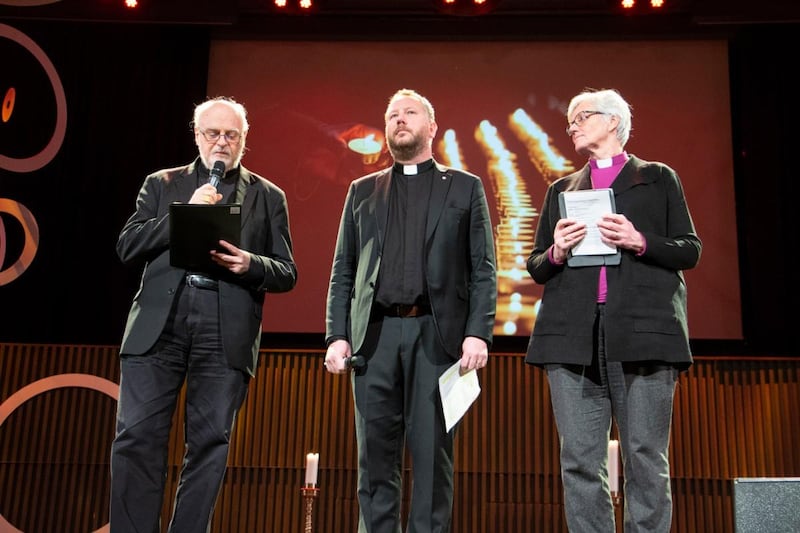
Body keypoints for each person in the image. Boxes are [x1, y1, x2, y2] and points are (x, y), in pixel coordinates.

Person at [110, 96, 297, 532]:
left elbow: (286, 271)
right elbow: (127, 245)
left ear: (243, 142)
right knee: (137, 437)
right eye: (212, 133)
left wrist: (250, 264)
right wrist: (184, 215)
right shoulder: (162, 184)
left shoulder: (269, 197)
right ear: (196, 136)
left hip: (223, 326)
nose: (221, 142)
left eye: (231, 135)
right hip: (161, 324)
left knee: (210, 444)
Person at [525, 88, 701, 532]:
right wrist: (557, 252)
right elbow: (536, 265)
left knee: (645, 455)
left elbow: (689, 250)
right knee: (580, 462)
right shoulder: (561, 189)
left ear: (614, 121)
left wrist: (639, 240)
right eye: (570, 121)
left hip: (642, 334)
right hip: (573, 338)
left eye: (581, 117)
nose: (573, 126)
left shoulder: (658, 178)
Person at [323, 88, 497, 533]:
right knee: (375, 458)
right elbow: (344, 267)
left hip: (436, 339)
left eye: (410, 113)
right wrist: (337, 334)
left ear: (431, 127)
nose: (400, 120)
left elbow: (483, 267)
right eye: (393, 115)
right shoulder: (362, 190)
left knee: (432, 457)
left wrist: (478, 332)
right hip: (374, 340)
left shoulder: (464, 187)